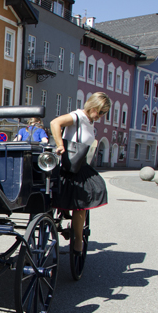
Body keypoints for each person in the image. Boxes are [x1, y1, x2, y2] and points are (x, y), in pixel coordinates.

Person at [50, 92, 110, 256]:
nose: (101, 116)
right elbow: (55, 123)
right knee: (81, 202)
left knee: (92, 191)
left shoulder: (90, 121)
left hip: (79, 165)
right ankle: (77, 239)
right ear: (92, 106)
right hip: (69, 165)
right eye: (100, 111)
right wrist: (60, 145)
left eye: (104, 113)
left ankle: (77, 237)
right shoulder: (78, 116)